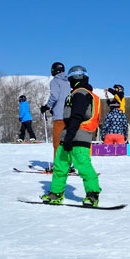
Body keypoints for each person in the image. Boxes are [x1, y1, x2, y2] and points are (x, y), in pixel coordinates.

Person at [41, 65, 103, 207]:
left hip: (78, 137)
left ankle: (92, 194)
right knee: (60, 166)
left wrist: (69, 137)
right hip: (68, 135)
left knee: (83, 166)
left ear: (74, 79)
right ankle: (56, 193)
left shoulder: (80, 93)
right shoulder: (79, 93)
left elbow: (77, 116)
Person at [41, 62, 72, 168]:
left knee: (58, 141)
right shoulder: (68, 82)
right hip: (69, 116)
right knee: (68, 141)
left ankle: (58, 165)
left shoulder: (55, 81)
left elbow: (54, 96)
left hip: (59, 117)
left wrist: (47, 106)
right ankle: (68, 163)